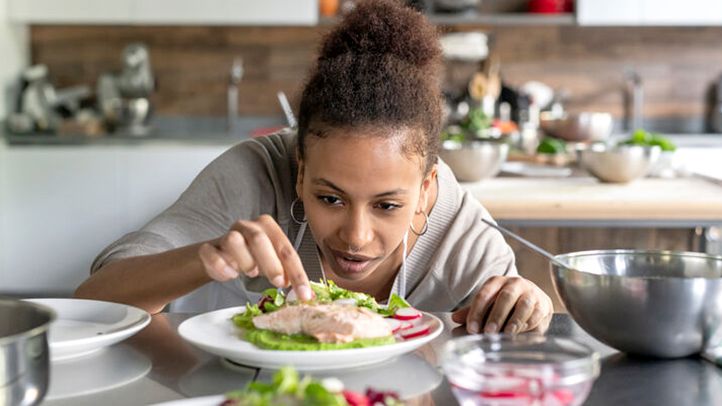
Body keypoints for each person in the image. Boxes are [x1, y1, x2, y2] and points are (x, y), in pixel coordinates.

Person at [75, 0, 553, 335]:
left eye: (388, 205)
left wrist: (528, 304)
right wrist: (205, 256)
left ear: (426, 190)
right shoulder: (254, 172)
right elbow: (92, 300)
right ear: (300, 171)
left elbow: (512, 321)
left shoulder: (458, 228)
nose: (356, 237)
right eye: (330, 198)